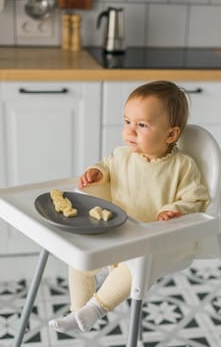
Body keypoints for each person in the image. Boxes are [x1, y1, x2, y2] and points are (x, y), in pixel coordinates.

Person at [49, 80, 209, 334]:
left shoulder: (182, 167)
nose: (130, 131)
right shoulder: (121, 155)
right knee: (79, 259)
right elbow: (107, 169)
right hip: (117, 231)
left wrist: (175, 209)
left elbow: (196, 198)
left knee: (132, 268)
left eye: (142, 125)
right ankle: (78, 311)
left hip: (154, 241)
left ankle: (95, 309)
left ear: (170, 134)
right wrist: (96, 173)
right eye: (127, 122)